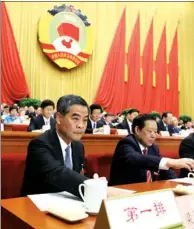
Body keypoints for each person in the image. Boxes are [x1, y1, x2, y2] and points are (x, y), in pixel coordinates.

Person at [21, 95, 89, 197]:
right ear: (59, 118)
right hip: (37, 205)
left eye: (85, 120)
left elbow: (77, 177)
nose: (81, 125)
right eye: (75, 118)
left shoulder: (78, 147)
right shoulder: (39, 144)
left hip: (69, 202)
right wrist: (92, 186)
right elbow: (58, 174)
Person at [109, 114, 194, 186]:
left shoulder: (153, 147)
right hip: (123, 193)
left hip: (147, 191)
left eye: (155, 131)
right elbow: (135, 158)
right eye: (150, 131)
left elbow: (163, 169)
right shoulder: (126, 143)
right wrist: (169, 162)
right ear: (137, 130)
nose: (154, 136)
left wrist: (177, 184)